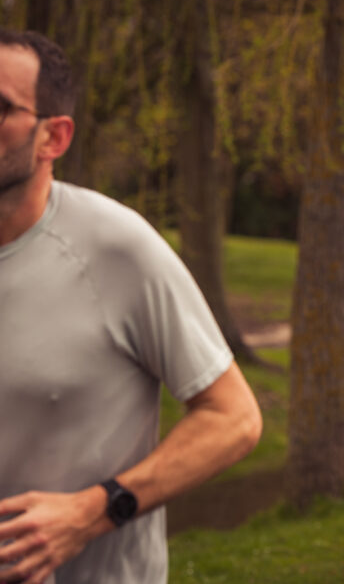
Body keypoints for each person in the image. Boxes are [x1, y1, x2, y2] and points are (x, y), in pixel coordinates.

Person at [0, 29, 262, 584]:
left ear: (54, 136)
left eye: (0, 107)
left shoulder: (117, 248)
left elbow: (234, 420)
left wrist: (93, 512)